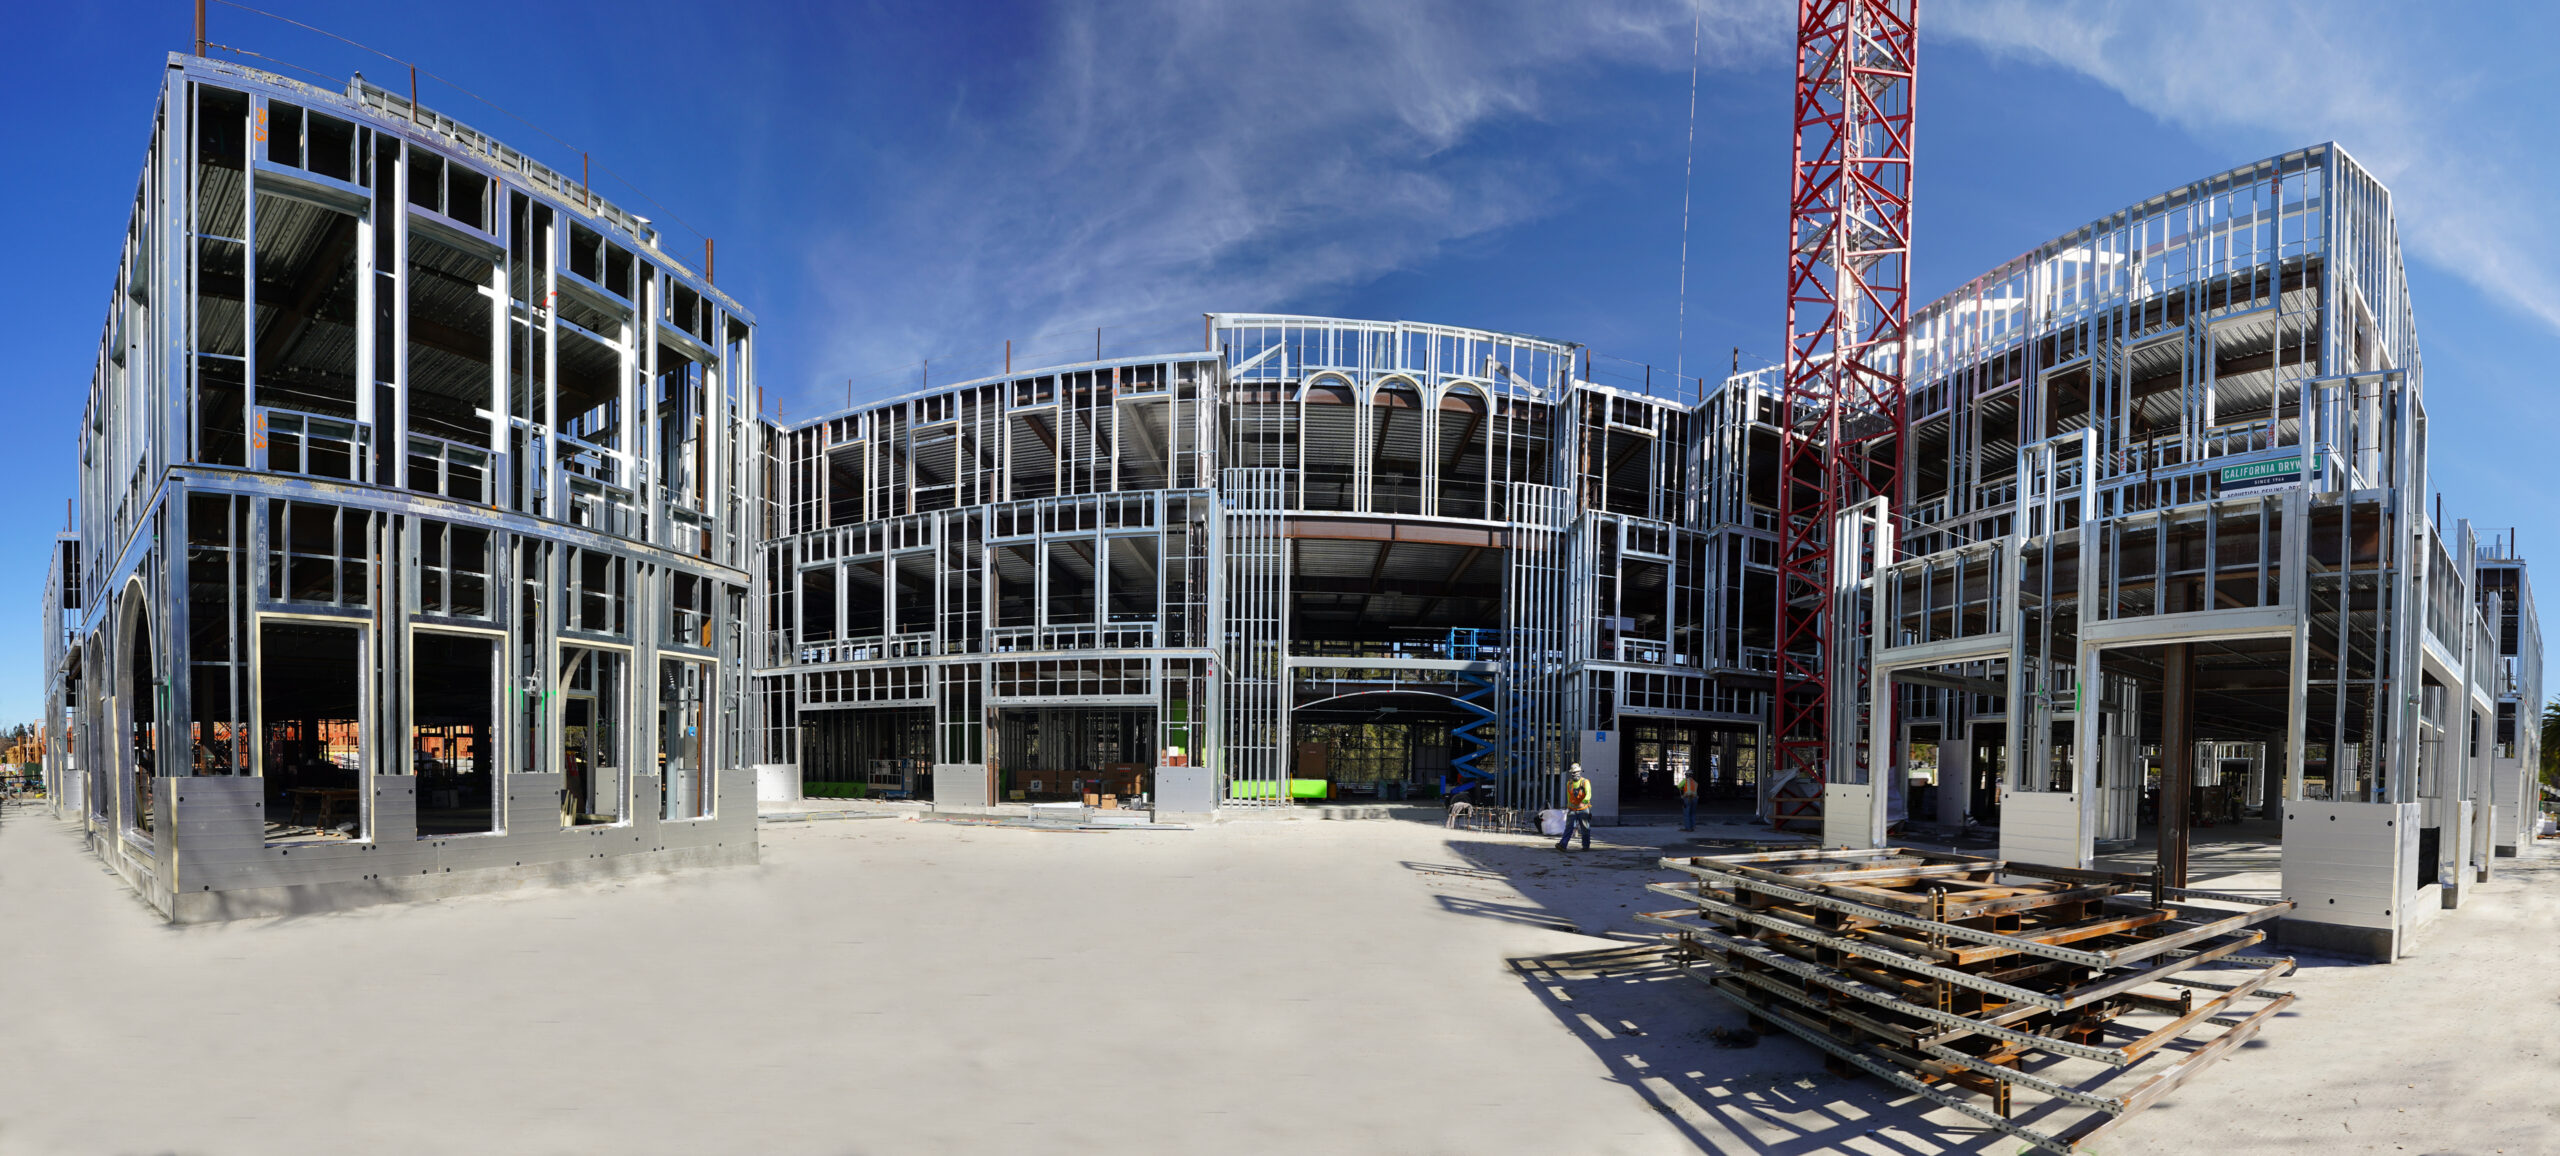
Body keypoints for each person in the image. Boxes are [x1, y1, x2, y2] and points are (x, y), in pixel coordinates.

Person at [1555, 763, 1593, 852]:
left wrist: (1583, 802)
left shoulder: (1585, 782)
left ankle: (1586, 846)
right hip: (1572, 810)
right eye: (1573, 772)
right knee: (1568, 828)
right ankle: (1563, 845)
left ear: (1579, 772)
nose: (1574, 774)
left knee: (1585, 829)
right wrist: (1568, 807)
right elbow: (1569, 797)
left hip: (1583, 810)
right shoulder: (1569, 783)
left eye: (1575, 772)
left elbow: (1588, 794)